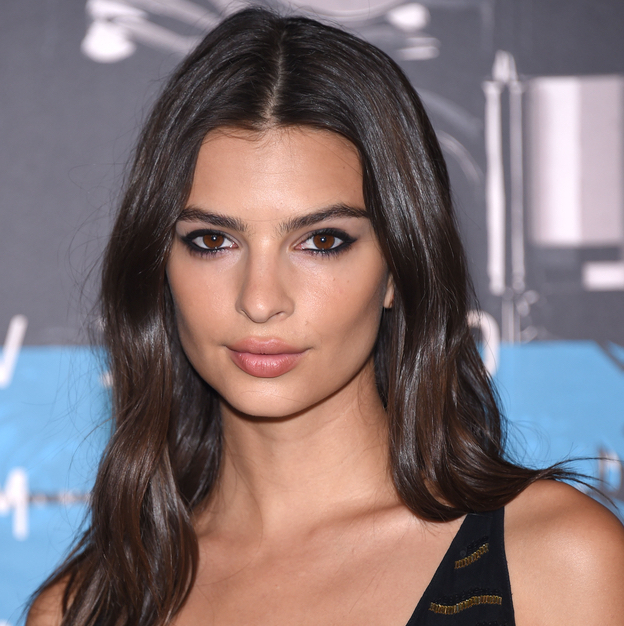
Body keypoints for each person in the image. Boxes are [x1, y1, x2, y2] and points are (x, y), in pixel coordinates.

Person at [27, 7, 624, 626]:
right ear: (160, 265)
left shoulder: (556, 563)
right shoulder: (84, 608)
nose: (261, 300)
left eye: (321, 242)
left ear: (397, 268)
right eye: (213, 241)